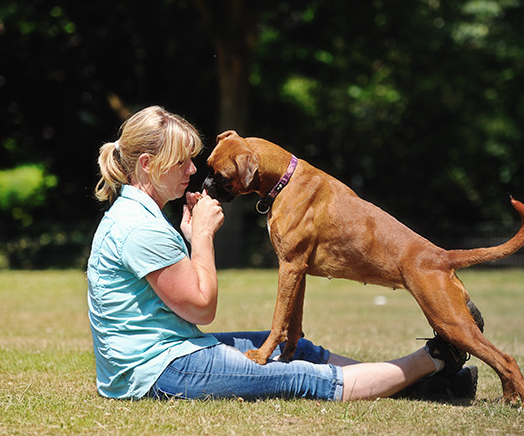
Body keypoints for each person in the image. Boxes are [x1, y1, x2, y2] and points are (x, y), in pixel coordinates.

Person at [87, 105, 478, 402]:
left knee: (299, 351)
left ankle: (428, 387)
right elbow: (201, 309)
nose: (192, 169)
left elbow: (174, 301)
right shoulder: (140, 228)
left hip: (161, 356)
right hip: (159, 372)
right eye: (182, 161)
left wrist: (191, 236)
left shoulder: (135, 214)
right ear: (147, 164)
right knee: (303, 377)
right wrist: (202, 236)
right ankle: (436, 357)